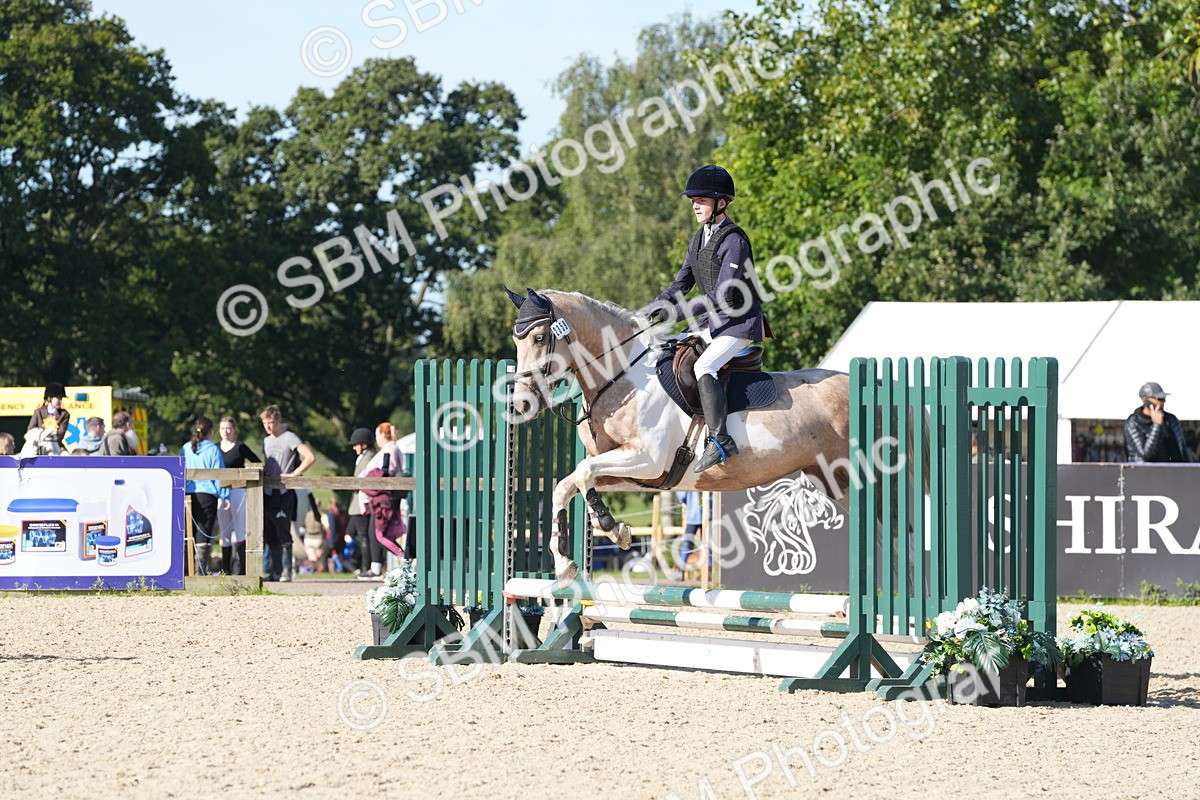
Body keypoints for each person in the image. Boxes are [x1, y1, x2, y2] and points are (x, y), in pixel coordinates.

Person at [641, 165, 769, 473]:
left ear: (721, 203)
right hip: (714, 321)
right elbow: (681, 284)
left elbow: (724, 294)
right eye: (693, 200)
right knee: (668, 350)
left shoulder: (735, 241)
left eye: (701, 200)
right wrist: (652, 308)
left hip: (739, 322)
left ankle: (720, 440)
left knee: (704, 366)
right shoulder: (698, 239)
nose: (695, 206)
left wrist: (676, 313)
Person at [260, 404, 316, 582]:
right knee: (269, 532)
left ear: (278, 421)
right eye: (265, 423)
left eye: (270, 422)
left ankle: (286, 570)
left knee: (283, 529)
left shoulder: (290, 437)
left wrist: (294, 474)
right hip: (268, 491)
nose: (268, 426)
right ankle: (275, 571)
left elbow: (310, 457)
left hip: (284, 491)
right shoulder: (266, 441)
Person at [357, 422, 407, 578]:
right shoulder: (390, 449)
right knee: (380, 534)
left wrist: (368, 477)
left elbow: (385, 472)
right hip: (383, 497)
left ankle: (404, 558)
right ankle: (400, 560)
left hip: (384, 498)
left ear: (384, 435)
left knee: (381, 535)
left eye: (377, 435)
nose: (376, 438)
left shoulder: (389, 451)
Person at [182, 417, 231, 576]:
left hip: (188, 495)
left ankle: (186, 571)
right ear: (210, 432)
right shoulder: (213, 450)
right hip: (207, 496)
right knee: (203, 534)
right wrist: (225, 496)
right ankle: (200, 572)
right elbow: (219, 475)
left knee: (187, 532)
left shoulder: (185, 448)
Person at [217, 416, 261, 575]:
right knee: (225, 532)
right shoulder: (215, 448)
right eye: (223, 428)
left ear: (234, 429)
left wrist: (247, 475)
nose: (226, 432)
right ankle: (225, 570)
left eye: (228, 428)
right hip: (221, 493)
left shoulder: (240, 447)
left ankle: (243, 569)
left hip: (238, 491)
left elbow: (257, 462)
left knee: (240, 530)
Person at [1125, 382, 1194, 464]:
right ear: (1145, 400)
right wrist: (1156, 425)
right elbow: (1147, 456)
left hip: (1174, 470)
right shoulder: (1134, 423)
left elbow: (1182, 449)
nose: (1163, 402)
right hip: (1148, 471)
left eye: (1164, 398)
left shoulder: (1171, 419)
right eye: (1159, 399)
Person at [346, 427, 376, 576]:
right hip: (356, 502)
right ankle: (366, 564)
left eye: (356, 444)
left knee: (363, 535)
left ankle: (366, 567)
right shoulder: (363, 457)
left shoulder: (368, 457)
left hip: (362, 502)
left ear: (364, 444)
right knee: (352, 532)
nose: (354, 447)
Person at [26, 382, 70, 453]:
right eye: (59, 398)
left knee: (66, 455)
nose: (61, 401)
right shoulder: (38, 412)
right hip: (38, 444)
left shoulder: (64, 414)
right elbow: (30, 429)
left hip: (56, 445)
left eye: (61, 398)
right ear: (50, 398)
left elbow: (60, 434)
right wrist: (43, 434)